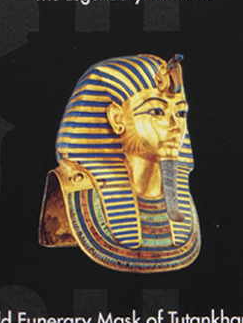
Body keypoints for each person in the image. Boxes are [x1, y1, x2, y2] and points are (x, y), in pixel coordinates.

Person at [38, 54, 200, 272]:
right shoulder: (76, 190)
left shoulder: (183, 198)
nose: (175, 126)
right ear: (117, 118)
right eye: (157, 112)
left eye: (180, 113)